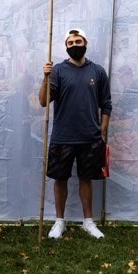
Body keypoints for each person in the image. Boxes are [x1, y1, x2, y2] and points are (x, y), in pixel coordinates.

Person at [39, 28, 112, 239]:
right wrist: (45, 77)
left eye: (78, 41)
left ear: (85, 42)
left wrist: (102, 131)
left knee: (86, 178)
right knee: (59, 179)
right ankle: (59, 221)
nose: (74, 45)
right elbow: (44, 101)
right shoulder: (58, 71)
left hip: (90, 137)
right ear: (65, 46)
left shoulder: (97, 71)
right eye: (70, 43)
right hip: (63, 136)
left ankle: (88, 222)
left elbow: (106, 104)